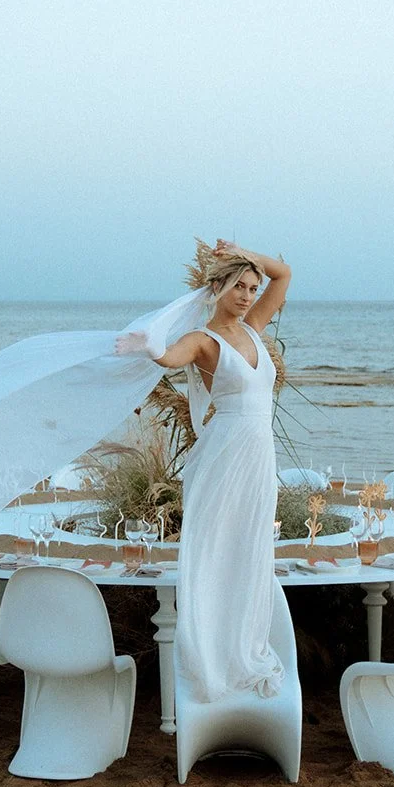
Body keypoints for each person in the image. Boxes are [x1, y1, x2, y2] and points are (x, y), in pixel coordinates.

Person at [117, 240, 291, 702]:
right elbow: (170, 357)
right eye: (239, 285)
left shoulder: (254, 328)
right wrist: (151, 346)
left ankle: (243, 649)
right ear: (216, 288)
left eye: (253, 287)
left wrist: (247, 253)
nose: (248, 295)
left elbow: (285, 274)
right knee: (215, 550)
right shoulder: (203, 341)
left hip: (259, 455)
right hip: (224, 454)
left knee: (251, 549)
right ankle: (212, 657)